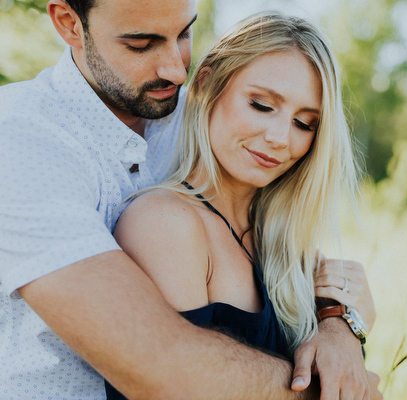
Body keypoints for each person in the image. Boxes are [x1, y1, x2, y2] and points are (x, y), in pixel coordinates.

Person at [0, 0, 377, 399]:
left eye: (183, 34)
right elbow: (161, 367)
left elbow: (305, 269)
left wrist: (339, 326)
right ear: (68, 23)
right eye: (142, 43)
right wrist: (320, 392)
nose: (177, 70)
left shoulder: (191, 112)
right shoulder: (21, 143)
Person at [103, 11, 380, 400]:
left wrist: (343, 327)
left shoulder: (280, 240)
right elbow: (174, 386)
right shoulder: (166, 223)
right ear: (207, 84)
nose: (281, 138)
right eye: (262, 105)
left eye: (305, 123)